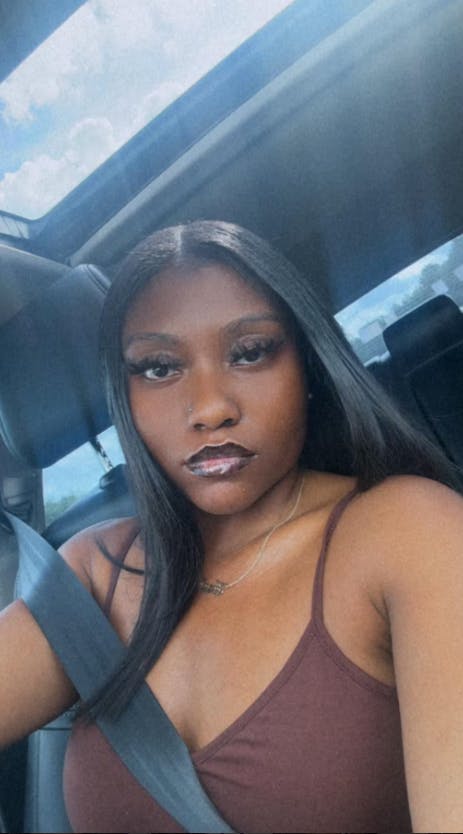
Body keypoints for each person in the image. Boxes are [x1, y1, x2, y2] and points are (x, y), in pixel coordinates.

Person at [2, 220, 463, 833]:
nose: (211, 408)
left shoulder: (409, 531)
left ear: (308, 367)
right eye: (159, 368)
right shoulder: (93, 572)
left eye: (250, 353)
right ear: (124, 395)